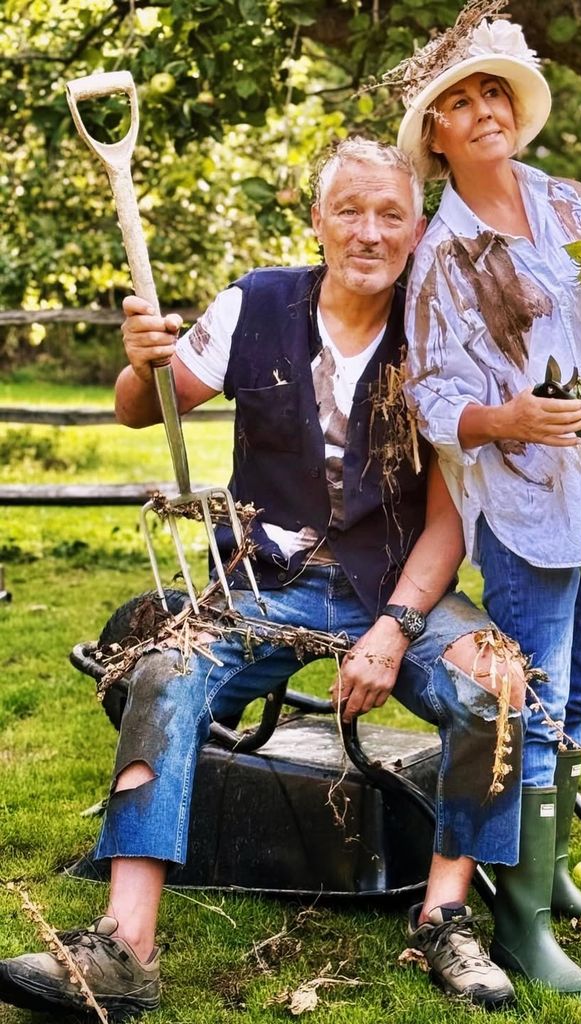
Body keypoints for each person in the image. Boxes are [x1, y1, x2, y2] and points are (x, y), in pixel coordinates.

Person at [0, 138, 528, 1019]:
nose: (368, 230)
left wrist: (393, 630)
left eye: (391, 213)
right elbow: (142, 410)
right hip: (265, 578)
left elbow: (447, 521)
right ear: (317, 220)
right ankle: (125, 949)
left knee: (499, 683)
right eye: (349, 210)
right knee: (166, 671)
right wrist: (141, 363)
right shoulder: (257, 302)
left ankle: (443, 919)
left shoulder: (437, 336)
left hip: (393, 584)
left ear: (416, 230)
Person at [390, 7, 581, 1002]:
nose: (481, 112)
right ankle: (522, 920)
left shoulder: (569, 200)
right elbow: (427, 394)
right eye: (457, 102)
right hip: (523, 503)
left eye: (491, 93)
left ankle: (548, 868)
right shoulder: (440, 254)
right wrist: (503, 416)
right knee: (535, 706)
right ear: (435, 135)